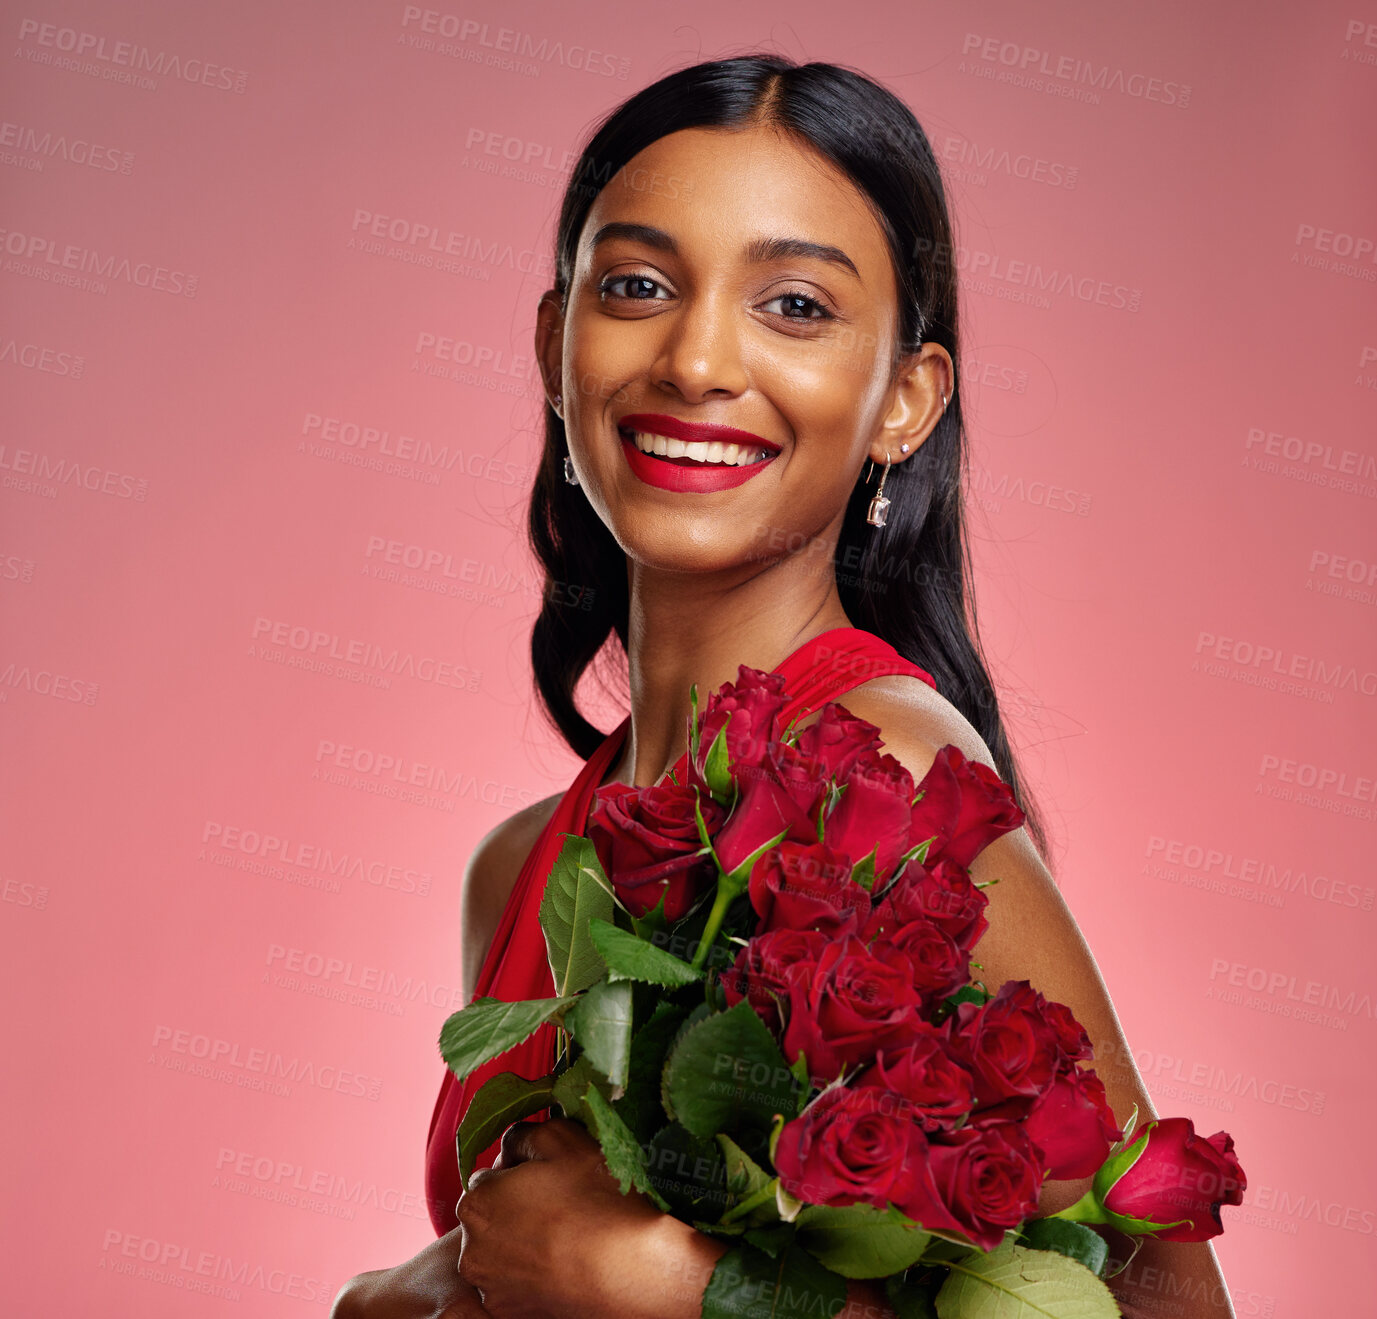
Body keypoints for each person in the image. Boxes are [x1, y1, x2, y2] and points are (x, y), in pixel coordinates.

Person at [333, 53, 1237, 1319]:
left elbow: (1170, 1310)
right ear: (554, 341)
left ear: (905, 403)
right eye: (639, 285)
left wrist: (678, 1287)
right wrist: (406, 1290)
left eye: (797, 305)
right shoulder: (518, 867)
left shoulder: (893, 779)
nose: (696, 360)